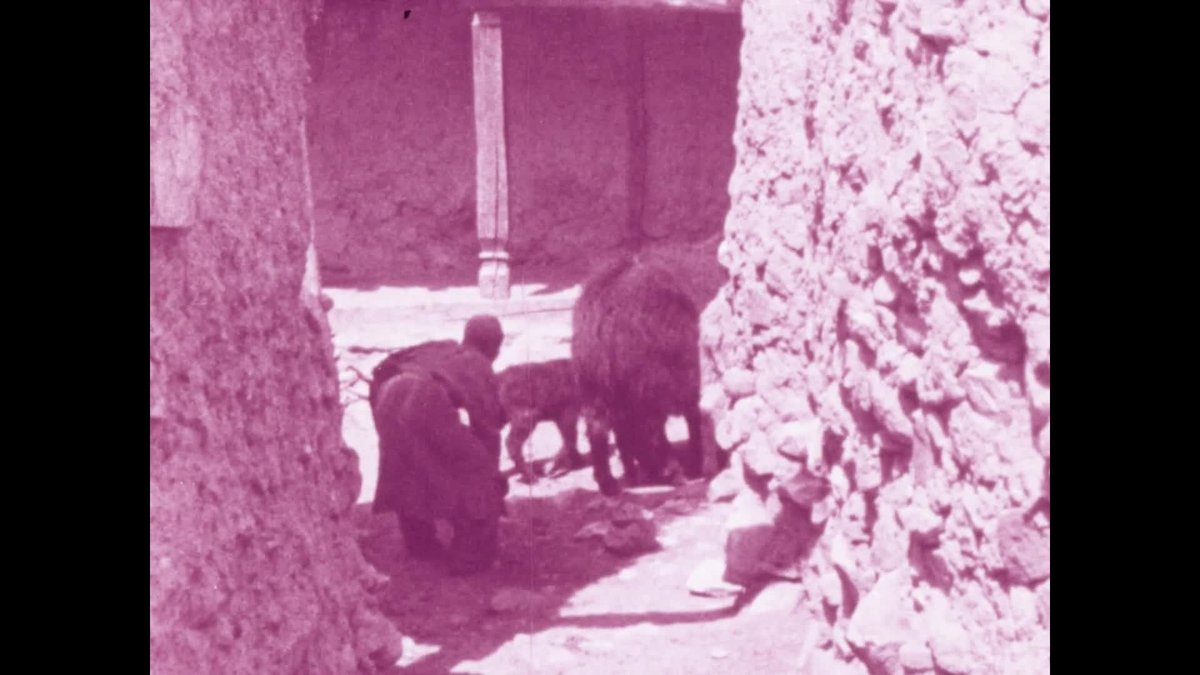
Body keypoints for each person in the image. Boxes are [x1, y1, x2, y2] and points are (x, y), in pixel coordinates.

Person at [369, 315, 508, 575]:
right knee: (478, 472)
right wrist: (492, 480)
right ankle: (471, 558)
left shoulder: (441, 347)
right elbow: (488, 432)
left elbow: (383, 369)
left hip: (384, 393)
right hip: (421, 396)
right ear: (495, 345)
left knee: (406, 470)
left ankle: (421, 544)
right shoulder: (478, 363)